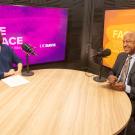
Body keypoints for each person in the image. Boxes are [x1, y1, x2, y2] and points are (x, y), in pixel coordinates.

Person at [108, 32, 135, 122]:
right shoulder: (121, 56)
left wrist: (125, 88)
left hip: (130, 98)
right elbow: (112, 71)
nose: (124, 45)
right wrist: (111, 75)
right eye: (123, 42)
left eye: (128, 42)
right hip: (114, 91)